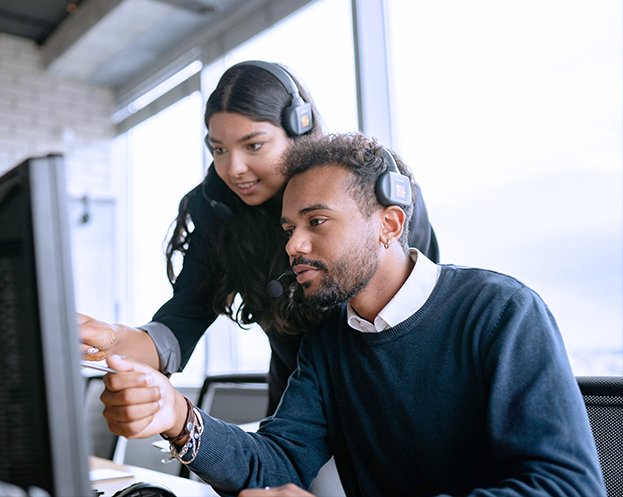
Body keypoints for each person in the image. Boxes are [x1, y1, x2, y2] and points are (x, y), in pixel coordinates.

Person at [98, 132, 606, 497]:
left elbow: (568, 486)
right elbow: (279, 459)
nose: (294, 244)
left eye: (317, 221)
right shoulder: (328, 342)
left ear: (389, 223)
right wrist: (180, 418)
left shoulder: (500, 313)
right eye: (289, 227)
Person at [79, 61, 439, 413]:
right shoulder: (217, 210)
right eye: (219, 149)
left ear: (299, 131)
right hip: (295, 414)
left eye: (253, 146)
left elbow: (425, 312)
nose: (233, 169)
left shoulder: (377, 197)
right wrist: (112, 340)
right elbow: (182, 320)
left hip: (387, 401)